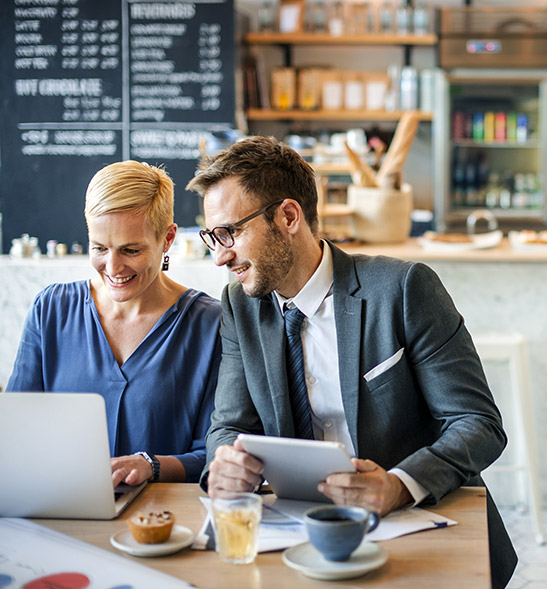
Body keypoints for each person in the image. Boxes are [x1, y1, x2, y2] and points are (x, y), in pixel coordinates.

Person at [188, 136, 517, 587]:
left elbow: (478, 423)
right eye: (212, 237)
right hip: (301, 539)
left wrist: (399, 485)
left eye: (231, 233)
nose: (221, 255)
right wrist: (221, 466)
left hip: (418, 527)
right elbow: (228, 426)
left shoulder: (402, 289)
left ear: (288, 217)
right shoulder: (240, 306)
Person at [7, 161, 221, 486]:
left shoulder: (209, 324)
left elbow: (216, 452)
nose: (113, 266)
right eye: (99, 248)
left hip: (163, 524)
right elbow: (12, 429)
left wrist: (152, 465)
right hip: (60, 514)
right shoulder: (51, 310)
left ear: (167, 239)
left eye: (131, 250)